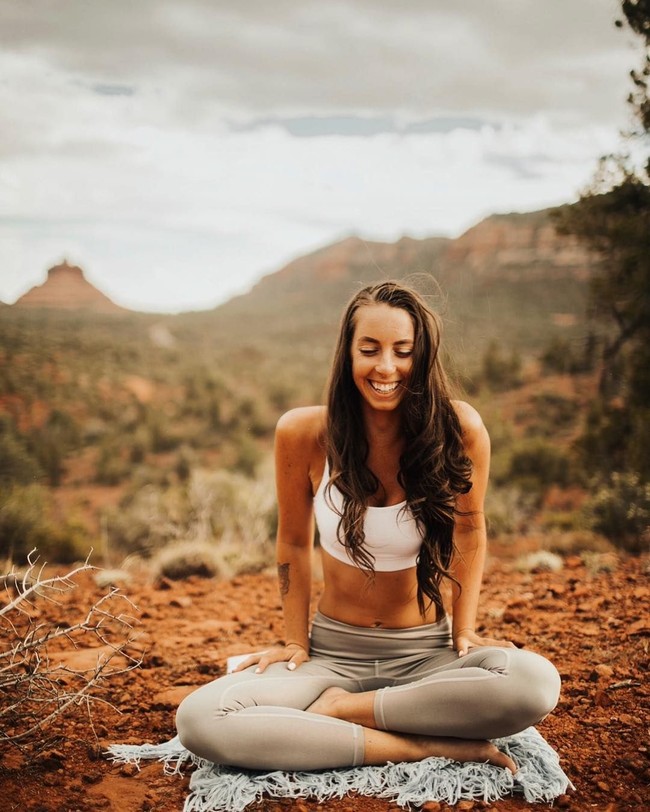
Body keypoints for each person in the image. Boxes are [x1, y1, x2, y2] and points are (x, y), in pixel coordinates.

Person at [176, 280, 561, 774]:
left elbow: (469, 530)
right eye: (370, 349)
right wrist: (295, 642)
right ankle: (418, 744)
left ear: (422, 357)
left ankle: (344, 713)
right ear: (348, 354)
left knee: (535, 683)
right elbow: (293, 541)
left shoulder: (459, 430)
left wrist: (465, 630)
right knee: (200, 720)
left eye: (403, 351)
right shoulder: (302, 433)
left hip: (426, 656)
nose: (386, 367)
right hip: (331, 656)